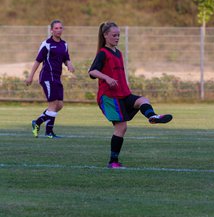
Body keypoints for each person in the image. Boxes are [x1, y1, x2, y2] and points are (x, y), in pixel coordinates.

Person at [88, 21, 173, 168]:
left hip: (123, 93)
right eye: (114, 35)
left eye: (119, 35)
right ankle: (113, 162)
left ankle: (152, 116)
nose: (117, 38)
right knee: (121, 128)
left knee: (143, 100)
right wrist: (107, 78)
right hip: (109, 97)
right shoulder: (103, 53)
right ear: (105, 35)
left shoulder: (118, 53)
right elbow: (92, 71)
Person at [26, 19, 75, 138]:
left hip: (57, 77)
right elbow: (38, 61)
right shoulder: (46, 44)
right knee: (53, 104)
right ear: (52, 30)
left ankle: (37, 122)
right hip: (47, 77)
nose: (58, 30)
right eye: (56, 28)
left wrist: (69, 63)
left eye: (60, 28)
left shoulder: (64, 44)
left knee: (59, 105)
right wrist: (30, 76)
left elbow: (66, 57)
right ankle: (49, 132)